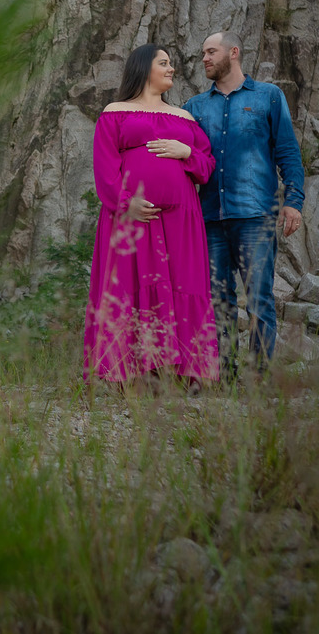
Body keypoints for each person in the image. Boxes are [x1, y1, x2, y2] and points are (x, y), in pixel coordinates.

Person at [83, 44, 219, 394]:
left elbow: (206, 166)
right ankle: (121, 376)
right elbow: (104, 167)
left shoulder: (185, 119)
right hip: (131, 217)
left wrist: (186, 151)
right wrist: (125, 202)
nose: (171, 69)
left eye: (171, 63)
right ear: (144, 69)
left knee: (184, 285)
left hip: (182, 219)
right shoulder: (116, 112)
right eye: (164, 63)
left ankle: (184, 374)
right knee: (126, 287)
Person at [183, 31, 305, 376]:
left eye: (211, 51)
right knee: (216, 301)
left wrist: (293, 201)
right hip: (208, 220)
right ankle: (223, 375)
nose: (204, 59)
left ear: (233, 52)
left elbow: (287, 153)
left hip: (255, 217)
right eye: (203, 53)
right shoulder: (193, 107)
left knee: (259, 301)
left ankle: (258, 378)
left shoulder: (268, 97)